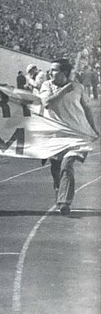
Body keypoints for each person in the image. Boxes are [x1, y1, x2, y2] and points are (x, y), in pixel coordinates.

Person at [40, 58, 99, 215]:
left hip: (76, 134)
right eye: (50, 70)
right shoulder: (46, 85)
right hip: (54, 135)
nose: (50, 73)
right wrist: (65, 89)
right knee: (56, 168)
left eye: (54, 70)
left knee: (67, 165)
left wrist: (93, 129)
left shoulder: (78, 87)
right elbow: (47, 103)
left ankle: (64, 202)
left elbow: (87, 109)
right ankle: (60, 191)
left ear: (65, 72)